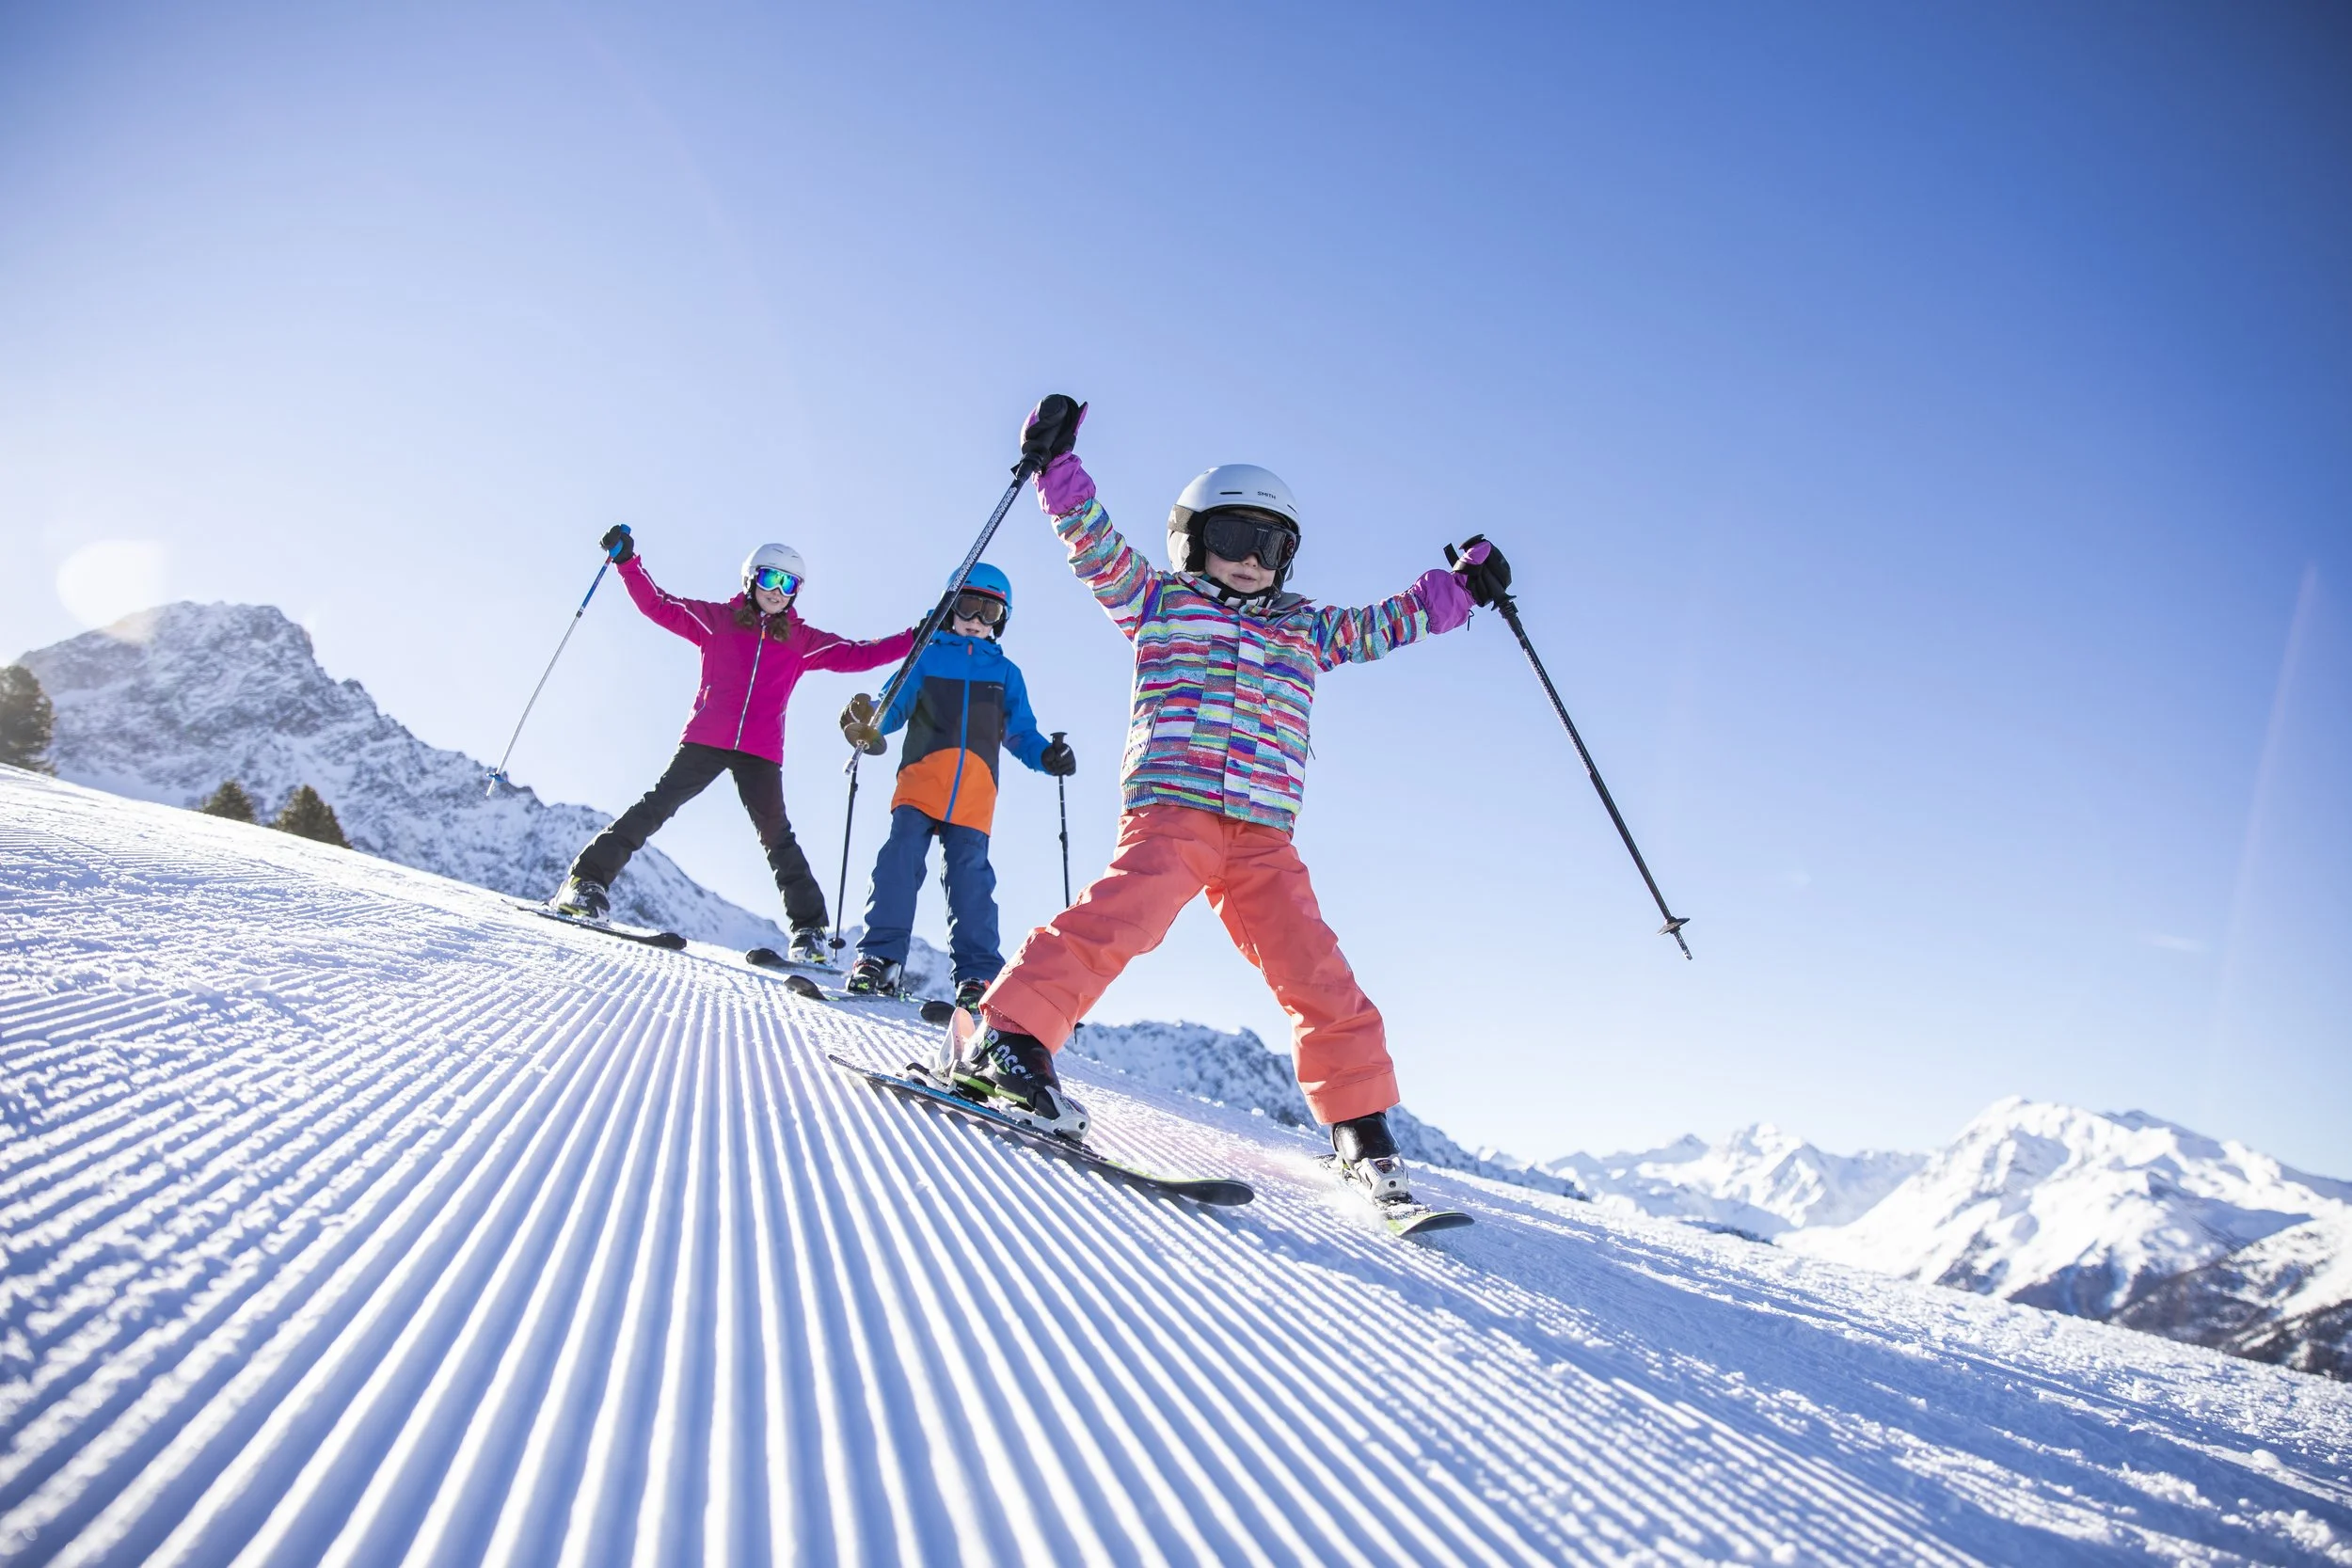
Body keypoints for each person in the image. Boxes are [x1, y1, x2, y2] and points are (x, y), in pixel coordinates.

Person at [947, 395, 1512, 1208]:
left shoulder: (1305, 628)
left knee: (1312, 961)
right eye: (1231, 537)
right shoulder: (1157, 601)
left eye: (1270, 543)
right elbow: (1093, 543)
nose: (1250, 558)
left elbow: (1393, 621)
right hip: (1173, 807)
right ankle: (1010, 1036)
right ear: (1192, 540)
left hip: (1263, 834)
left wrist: (1463, 587)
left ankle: (1357, 1117)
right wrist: (1057, 467)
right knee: (1124, 917)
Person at [551, 530, 915, 963]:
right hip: (708, 737)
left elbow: (860, 654)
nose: (778, 592)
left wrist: (917, 635)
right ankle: (585, 881)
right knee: (657, 806)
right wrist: (629, 563)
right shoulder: (715, 620)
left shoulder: (801, 641)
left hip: (760, 751)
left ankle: (809, 930)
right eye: (770, 579)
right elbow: (659, 605)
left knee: (777, 837)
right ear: (750, 579)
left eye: (789, 585)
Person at [837, 562, 1074, 1009]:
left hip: (973, 795)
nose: (977, 619)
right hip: (920, 784)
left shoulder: (1006, 674)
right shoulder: (926, 657)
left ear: (1001, 620)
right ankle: (879, 959)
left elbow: (1020, 733)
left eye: (989, 611)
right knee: (898, 864)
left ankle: (978, 978)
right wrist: (869, 721)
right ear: (950, 607)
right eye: (968, 605)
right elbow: (892, 707)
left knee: (971, 883)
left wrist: (1047, 757)